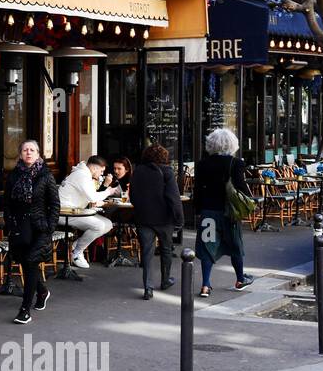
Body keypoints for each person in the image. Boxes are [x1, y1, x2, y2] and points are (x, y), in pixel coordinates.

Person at [193, 127, 254, 297]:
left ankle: (205, 285)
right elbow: (241, 187)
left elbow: (197, 190)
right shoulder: (236, 163)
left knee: (207, 247)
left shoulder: (202, 164)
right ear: (232, 144)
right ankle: (240, 279)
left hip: (208, 212)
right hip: (229, 212)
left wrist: (198, 210)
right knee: (235, 245)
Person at [4, 141, 59, 325]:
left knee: (31, 262)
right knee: (27, 265)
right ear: (20, 154)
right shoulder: (14, 175)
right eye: (25, 150)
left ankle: (24, 310)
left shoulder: (45, 175)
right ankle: (42, 291)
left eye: (32, 150)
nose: (29, 153)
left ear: (38, 154)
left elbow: (54, 205)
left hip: (39, 228)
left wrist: (50, 227)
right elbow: (8, 204)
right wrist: (9, 225)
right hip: (20, 227)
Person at [130, 144, 184, 299]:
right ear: (163, 157)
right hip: (164, 219)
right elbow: (174, 198)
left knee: (147, 252)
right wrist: (179, 219)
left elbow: (133, 195)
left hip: (144, 218)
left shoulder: (138, 171)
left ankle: (148, 288)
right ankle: (165, 280)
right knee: (166, 250)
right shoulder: (167, 171)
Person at [59, 155, 121, 269]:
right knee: (98, 225)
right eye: (101, 171)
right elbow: (93, 197)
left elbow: (90, 196)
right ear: (94, 168)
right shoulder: (81, 175)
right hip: (65, 213)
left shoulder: (83, 174)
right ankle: (77, 252)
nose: (101, 174)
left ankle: (76, 246)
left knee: (107, 224)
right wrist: (108, 191)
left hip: (76, 211)